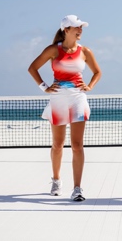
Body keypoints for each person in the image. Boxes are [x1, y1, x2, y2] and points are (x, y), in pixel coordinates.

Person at [28, 15, 102, 201]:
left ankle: (77, 188)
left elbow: (97, 72)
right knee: (58, 145)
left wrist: (90, 86)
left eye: (81, 28)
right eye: (77, 27)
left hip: (78, 99)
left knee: (77, 145)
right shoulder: (54, 50)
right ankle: (56, 179)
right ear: (66, 29)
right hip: (58, 100)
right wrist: (44, 87)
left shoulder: (85, 51)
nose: (80, 30)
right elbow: (33, 68)